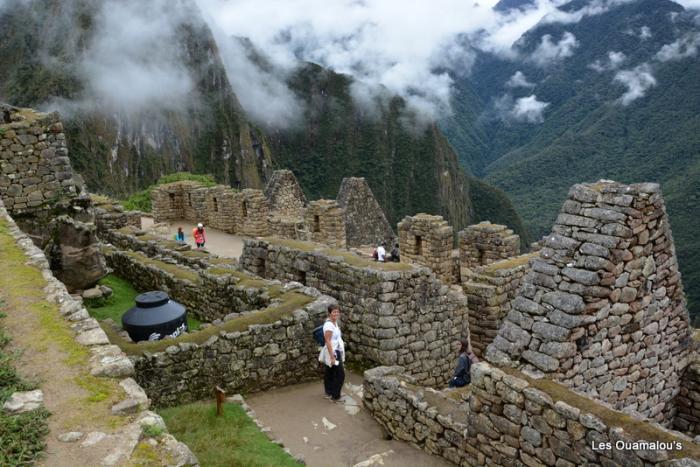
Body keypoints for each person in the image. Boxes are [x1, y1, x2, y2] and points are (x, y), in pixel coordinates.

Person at [319, 304, 345, 401]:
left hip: (335, 350)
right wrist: (332, 357)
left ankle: (329, 392)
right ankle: (335, 396)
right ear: (329, 313)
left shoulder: (335, 322)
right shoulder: (329, 325)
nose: (336, 313)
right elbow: (328, 341)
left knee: (329, 372)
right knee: (340, 375)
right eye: (334, 312)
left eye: (337, 312)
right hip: (333, 352)